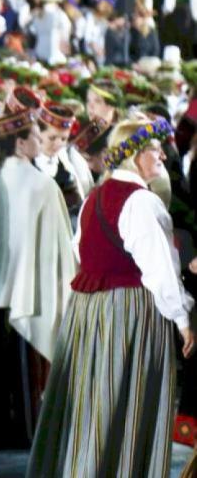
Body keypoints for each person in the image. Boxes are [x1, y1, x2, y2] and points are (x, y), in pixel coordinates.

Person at [28, 118, 196, 477]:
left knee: (93, 400)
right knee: (127, 400)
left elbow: (80, 249)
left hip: (88, 313)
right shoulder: (142, 202)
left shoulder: (94, 197)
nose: (162, 157)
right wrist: (183, 321)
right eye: (153, 150)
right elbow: (160, 270)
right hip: (130, 311)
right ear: (134, 156)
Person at [0, 104, 77, 447]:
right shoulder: (41, 185)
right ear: (20, 143)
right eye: (35, 136)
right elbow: (58, 249)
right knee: (21, 367)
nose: (39, 141)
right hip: (27, 297)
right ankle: (24, 429)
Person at [34, 102, 94, 218]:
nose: (58, 144)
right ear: (38, 133)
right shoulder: (26, 164)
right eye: (52, 138)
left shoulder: (68, 166)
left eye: (63, 139)